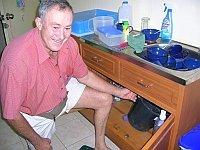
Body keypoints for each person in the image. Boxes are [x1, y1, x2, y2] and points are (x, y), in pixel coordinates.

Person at [0, 0, 137, 149]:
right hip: (36, 113)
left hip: (61, 90)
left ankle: (100, 145)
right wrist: (37, 141)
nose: (61, 36)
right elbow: (11, 114)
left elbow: (85, 76)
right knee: (42, 146)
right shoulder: (15, 60)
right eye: (55, 27)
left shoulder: (70, 44)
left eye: (67, 28)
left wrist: (120, 92)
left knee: (105, 99)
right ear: (39, 23)